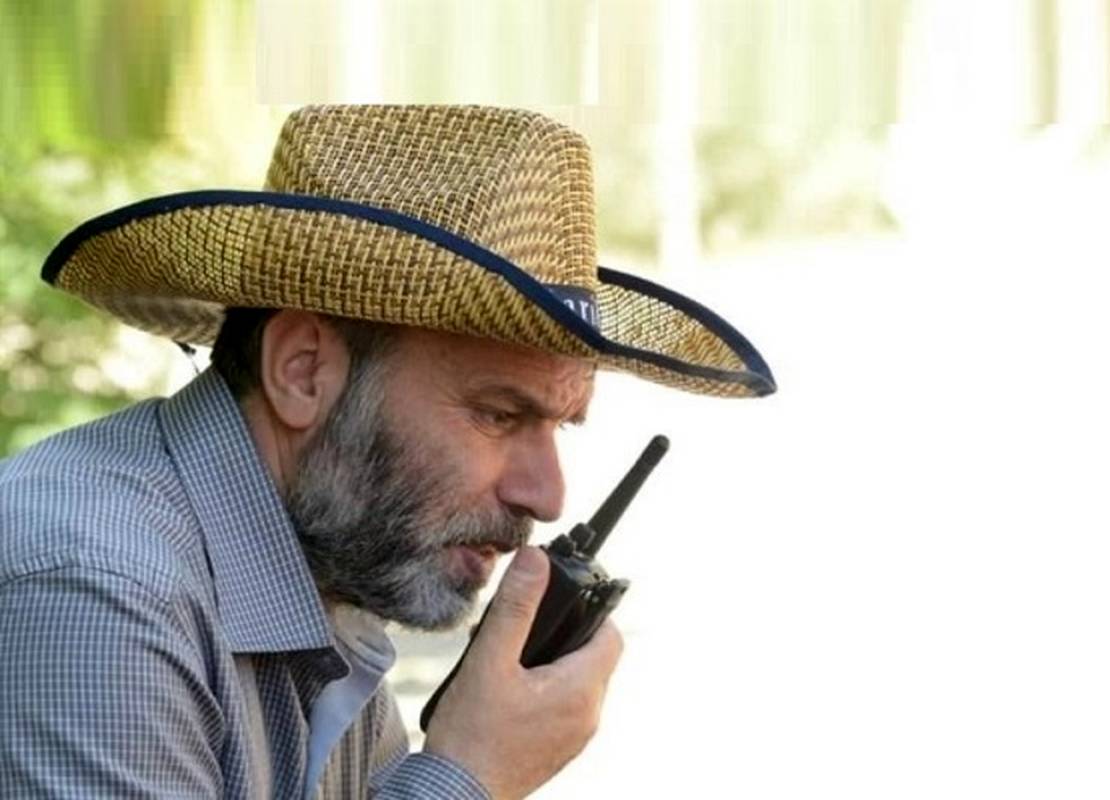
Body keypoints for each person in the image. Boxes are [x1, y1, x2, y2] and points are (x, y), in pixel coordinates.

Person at [0, 105, 775, 798]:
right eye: (500, 415)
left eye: (561, 426)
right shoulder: (95, 588)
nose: (546, 497)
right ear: (303, 370)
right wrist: (472, 773)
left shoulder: (326, 584)